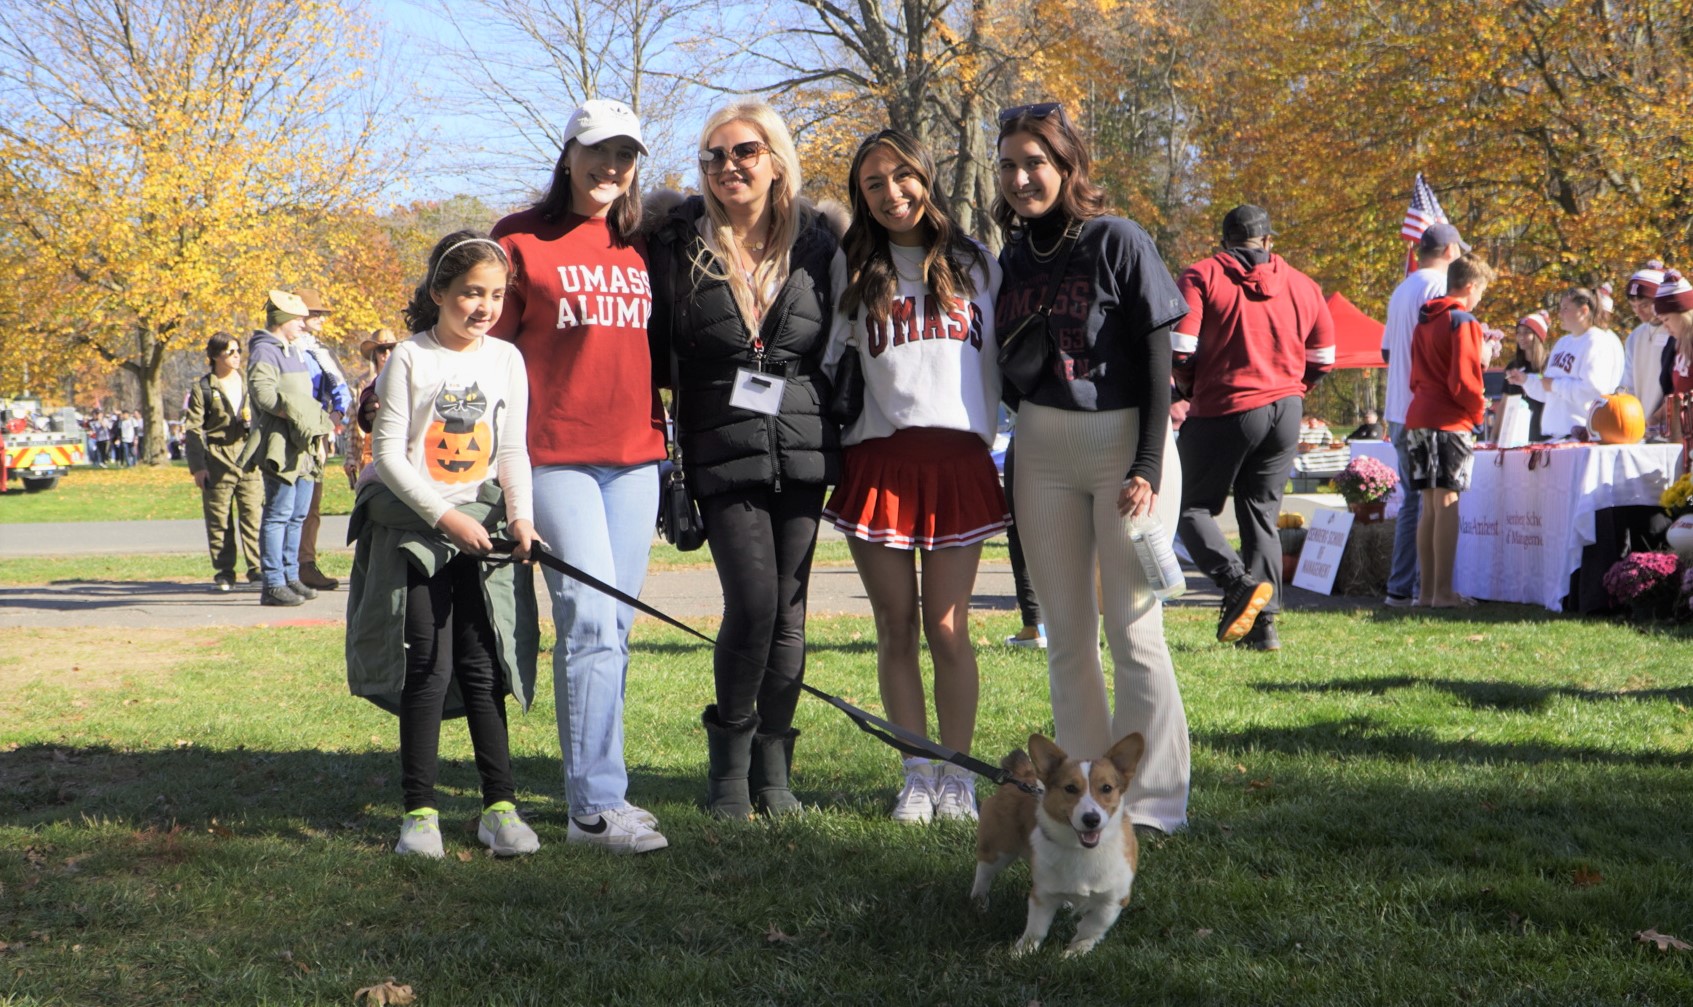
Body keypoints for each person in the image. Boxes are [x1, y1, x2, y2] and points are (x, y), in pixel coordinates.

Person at [993, 102, 1189, 834]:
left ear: (1067, 164)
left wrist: (1145, 463)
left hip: (1123, 447)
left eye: (1035, 162)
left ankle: (1154, 802)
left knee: (1133, 629)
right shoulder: (1009, 257)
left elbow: (1158, 360)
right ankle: (1084, 800)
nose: (1020, 177)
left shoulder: (1117, 239)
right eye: (1009, 164)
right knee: (1067, 633)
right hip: (1040, 446)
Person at [647, 101, 842, 820]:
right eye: (713, 156)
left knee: (790, 613)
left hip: (804, 438)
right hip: (716, 436)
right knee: (753, 602)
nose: (728, 166)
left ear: (775, 158)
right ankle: (729, 766)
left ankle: (774, 771)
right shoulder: (674, 242)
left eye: (744, 152)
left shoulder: (820, 241)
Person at [490, 99, 670, 853]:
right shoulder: (518, 238)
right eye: (597, 152)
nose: (611, 167)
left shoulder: (643, 242)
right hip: (552, 455)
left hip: (636, 458)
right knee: (589, 622)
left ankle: (600, 791)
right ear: (567, 154)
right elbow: (485, 350)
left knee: (614, 627)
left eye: (625, 155)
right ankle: (595, 807)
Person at [821, 128, 1004, 822]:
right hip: (880, 460)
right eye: (873, 183)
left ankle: (958, 776)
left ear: (928, 178)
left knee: (949, 627)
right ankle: (917, 771)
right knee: (894, 624)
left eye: (903, 177)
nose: (892, 193)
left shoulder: (979, 264)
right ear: (859, 197)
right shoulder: (851, 269)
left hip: (957, 461)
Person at [348, 230, 543, 859]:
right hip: (421, 531)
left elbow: (511, 449)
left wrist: (521, 519)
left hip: (484, 529)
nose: (482, 306)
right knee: (428, 667)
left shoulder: (507, 359)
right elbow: (387, 454)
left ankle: (500, 807)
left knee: (485, 668)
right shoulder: (410, 357)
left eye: (494, 294)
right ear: (439, 293)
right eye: (468, 293)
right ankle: (420, 816)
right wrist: (443, 519)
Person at [1172, 203, 1335, 651]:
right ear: (1268, 241)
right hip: (1285, 409)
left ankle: (1239, 585)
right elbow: (1324, 357)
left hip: (1226, 404)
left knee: (1186, 507)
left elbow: (1181, 349)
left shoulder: (1202, 275)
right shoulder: (1304, 284)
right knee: (1261, 513)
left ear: (1224, 242)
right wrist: (1293, 389)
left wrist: (1189, 388)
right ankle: (1264, 630)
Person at [1381, 221, 1467, 607]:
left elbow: (1386, 352)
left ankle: (1407, 587)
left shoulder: (1403, 289)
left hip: (1401, 404)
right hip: (1424, 404)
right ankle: (1412, 588)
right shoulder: (1436, 288)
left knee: (1415, 500)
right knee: (1423, 501)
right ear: (1449, 252)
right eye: (1460, 251)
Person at [1406, 252, 1495, 609]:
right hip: (1449, 419)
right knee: (1448, 501)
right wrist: (1478, 412)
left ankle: (1427, 592)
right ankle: (1443, 593)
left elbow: (1414, 375)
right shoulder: (1463, 321)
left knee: (1429, 505)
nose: (1478, 302)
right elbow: (1464, 381)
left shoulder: (1425, 319)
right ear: (1471, 287)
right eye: (1480, 294)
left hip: (1419, 414)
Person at [239, 289, 335, 607]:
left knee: (297, 515)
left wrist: (314, 430)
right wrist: (297, 415)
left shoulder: (293, 350)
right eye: (298, 320)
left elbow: (306, 398)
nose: (304, 325)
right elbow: (264, 395)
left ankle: (291, 576)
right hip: (280, 445)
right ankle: (273, 582)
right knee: (278, 515)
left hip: (303, 444)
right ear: (283, 320)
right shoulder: (265, 351)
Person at [184, 332, 264, 591]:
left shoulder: (249, 383)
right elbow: (193, 429)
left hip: (248, 459)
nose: (237, 356)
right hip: (217, 460)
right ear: (216, 356)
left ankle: (257, 569)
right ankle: (224, 572)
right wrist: (198, 467)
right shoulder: (204, 388)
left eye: (238, 350)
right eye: (230, 352)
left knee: (253, 516)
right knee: (219, 520)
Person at [293, 287, 352, 592]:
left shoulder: (319, 352)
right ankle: (281, 570)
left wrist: (334, 417)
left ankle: (305, 563)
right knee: (283, 506)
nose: (321, 319)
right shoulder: (282, 349)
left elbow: (342, 389)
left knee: (311, 504)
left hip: (315, 437)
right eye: (315, 313)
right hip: (287, 435)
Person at [1510, 287, 1624, 438]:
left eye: (1565, 309)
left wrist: (1555, 385)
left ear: (1583, 311)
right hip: (1555, 435)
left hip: (1581, 434)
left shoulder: (1596, 341)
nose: (1560, 314)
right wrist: (1527, 380)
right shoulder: (1562, 343)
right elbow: (1548, 389)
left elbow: (1594, 389)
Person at [344, 329, 399, 489]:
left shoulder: (406, 379)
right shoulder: (361, 384)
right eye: (382, 349)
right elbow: (353, 424)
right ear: (374, 354)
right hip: (368, 451)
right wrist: (351, 457)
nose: (386, 354)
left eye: (391, 348)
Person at [1619, 262, 1670, 429]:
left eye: (1645, 305)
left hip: (1667, 422)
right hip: (1641, 424)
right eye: (1634, 307)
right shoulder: (1635, 336)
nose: (1639, 312)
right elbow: (1628, 384)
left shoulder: (1674, 331)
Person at [1501, 310, 1552, 443]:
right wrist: (1496, 435)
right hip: (1518, 435)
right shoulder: (1513, 367)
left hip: (1547, 434)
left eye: (1527, 332)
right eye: (1519, 333)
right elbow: (1505, 402)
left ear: (1538, 336)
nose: (1521, 337)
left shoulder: (1550, 364)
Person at [1654, 271, 1693, 414]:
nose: (1665, 327)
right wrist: (1655, 419)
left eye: (1667, 319)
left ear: (1683, 314)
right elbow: (1677, 394)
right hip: (1683, 432)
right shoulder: (1678, 346)